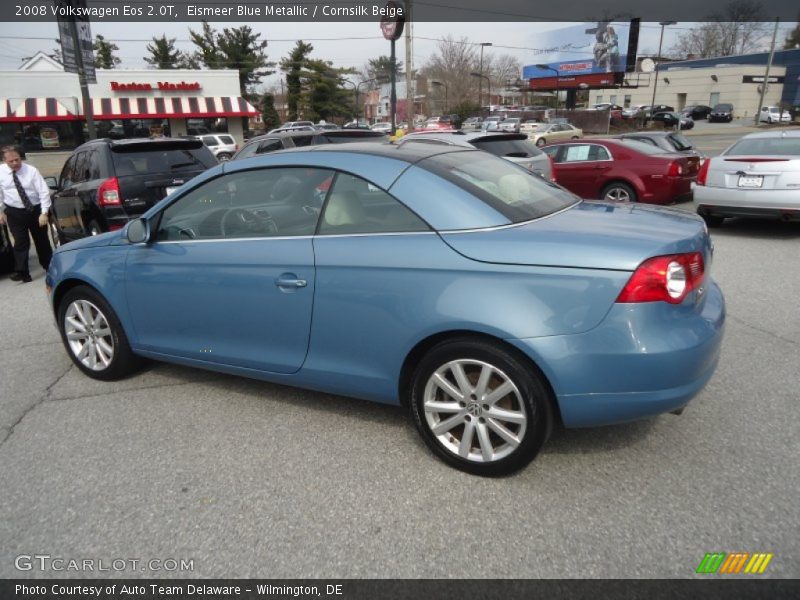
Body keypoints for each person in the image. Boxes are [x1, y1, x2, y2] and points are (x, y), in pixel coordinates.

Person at [0, 145, 53, 283]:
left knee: (42, 241)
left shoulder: (31, 171)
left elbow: (43, 191)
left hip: (35, 210)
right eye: (10, 161)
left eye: (17, 159)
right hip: (14, 211)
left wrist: (44, 212)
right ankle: (22, 272)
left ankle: (50, 267)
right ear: (4, 161)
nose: (15, 163)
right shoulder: (0, 172)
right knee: (20, 241)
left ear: (20, 157)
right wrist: (0, 211)